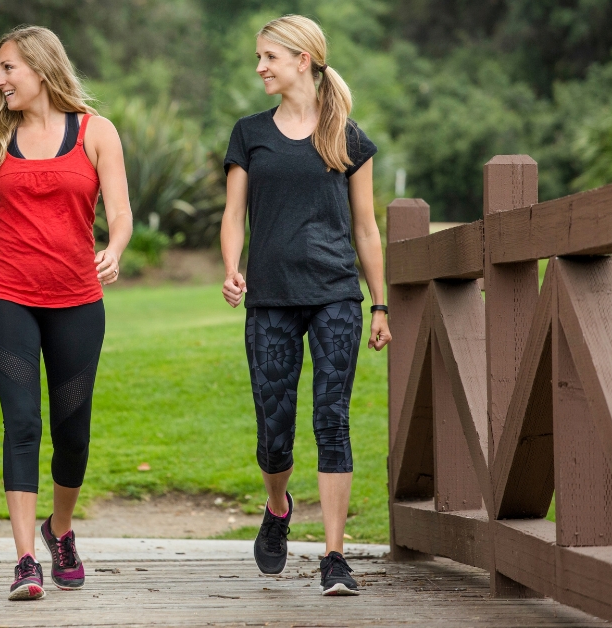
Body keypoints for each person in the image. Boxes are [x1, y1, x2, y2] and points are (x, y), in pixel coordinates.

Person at [218, 14, 390, 596]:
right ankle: (278, 505)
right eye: (259, 57)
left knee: (331, 420)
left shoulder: (348, 138)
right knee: (274, 432)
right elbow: (233, 214)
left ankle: (334, 556)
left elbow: (366, 229)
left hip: (336, 296)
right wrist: (231, 268)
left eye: (269, 56)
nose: (260, 66)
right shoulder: (249, 133)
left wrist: (380, 304)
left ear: (303, 60)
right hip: (269, 299)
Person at [0, 25, 134, 601]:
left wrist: (113, 248)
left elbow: (121, 211)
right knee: (22, 423)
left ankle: (59, 531)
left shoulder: (95, 131)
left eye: (8, 68)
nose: (0, 79)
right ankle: (26, 561)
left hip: (77, 300)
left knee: (72, 431)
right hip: (6, 295)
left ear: (40, 68)